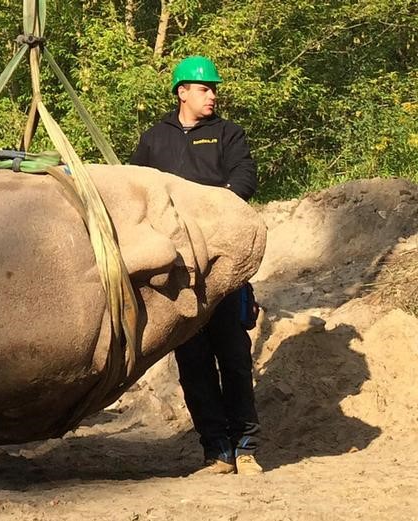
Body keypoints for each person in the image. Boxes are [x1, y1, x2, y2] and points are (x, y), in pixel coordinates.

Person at [131, 56, 262, 476]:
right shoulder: (154, 139)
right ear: (182, 91)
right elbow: (134, 190)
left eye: (213, 89)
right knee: (194, 362)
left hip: (223, 269)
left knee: (235, 359)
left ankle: (246, 448)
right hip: (178, 276)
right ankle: (217, 453)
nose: (213, 95)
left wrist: (209, 205)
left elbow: (244, 178)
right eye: (205, 88)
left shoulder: (227, 134)